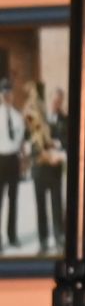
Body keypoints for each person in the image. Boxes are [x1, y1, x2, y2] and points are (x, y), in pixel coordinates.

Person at [26, 81, 63, 252]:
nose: (56, 103)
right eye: (54, 100)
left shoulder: (65, 119)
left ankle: (59, 238)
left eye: (59, 101)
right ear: (49, 99)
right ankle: (43, 241)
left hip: (54, 170)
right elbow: (30, 141)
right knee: (40, 207)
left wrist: (59, 148)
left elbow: (68, 143)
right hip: (39, 170)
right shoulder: (34, 117)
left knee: (56, 206)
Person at [0, 78, 24, 250]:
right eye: (4, 93)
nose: (7, 96)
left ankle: (12, 235)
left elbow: (19, 139)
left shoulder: (17, 116)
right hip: (0, 159)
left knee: (13, 200)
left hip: (13, 160)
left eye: (9, 93)